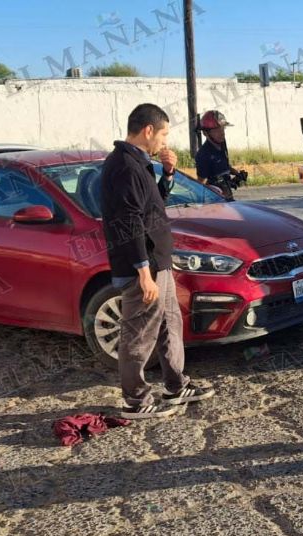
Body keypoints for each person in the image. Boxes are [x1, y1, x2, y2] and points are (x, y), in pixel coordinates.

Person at [101, 103, 215, 420]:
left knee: (168, 324)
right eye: (163, 134)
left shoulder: (139, 163)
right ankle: (136, 400)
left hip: (157, 262)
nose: (165, 141)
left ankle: (176, 385)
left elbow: (153, 208)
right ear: (148, 130)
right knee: (139, 334)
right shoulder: (124, 166)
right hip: (144, 266)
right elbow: (129, 223)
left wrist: (168, 174)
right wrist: (143, 273)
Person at [195, 110, 246, 201]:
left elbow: (223, 165)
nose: (222, 133)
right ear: (205, 133)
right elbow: (200, 185)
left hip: (227, 198)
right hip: (215, 202)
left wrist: (237, 174)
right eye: (217, 130)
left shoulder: (221, 144)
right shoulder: (204, 155)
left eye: (222, 128)